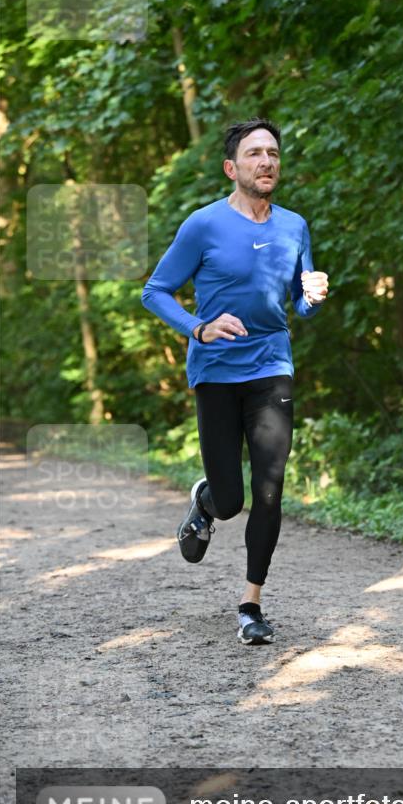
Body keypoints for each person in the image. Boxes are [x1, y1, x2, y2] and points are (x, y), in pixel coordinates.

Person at [142, 118, 328, 645]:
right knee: (232, 500)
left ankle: (251, 604)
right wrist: (199, 327)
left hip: (272, 366)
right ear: (232, 167)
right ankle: (207, 504)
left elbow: (299, 302)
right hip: (217, 371)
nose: (267, 161)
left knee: (270, 488)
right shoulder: (202, 225)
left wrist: (311, 296)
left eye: (273, 152)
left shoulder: (294, 226)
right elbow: (155, 291)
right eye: (255, 154)